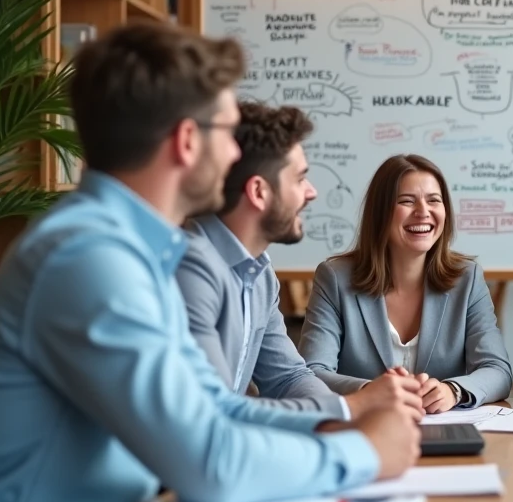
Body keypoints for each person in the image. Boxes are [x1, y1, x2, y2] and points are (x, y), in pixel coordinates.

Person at [0, 23, 418, 502]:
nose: (236, 154)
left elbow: (215, 408)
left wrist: (344, 416)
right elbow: (210, 462)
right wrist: (366, 455)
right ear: (187, 140)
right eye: (230, 133)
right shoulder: (89, 257)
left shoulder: (133, 249)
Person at [176, 101, 423, 421]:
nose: (311, 192)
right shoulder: (190, 267)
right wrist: (354, 406)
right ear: (259, 192)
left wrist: (343, 421)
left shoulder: (259, 273)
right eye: (299, 179)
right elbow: (210, 411)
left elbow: (288, 377)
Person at [300, 154, 512, 413]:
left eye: (434, 200)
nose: (423, 212)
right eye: (406, 201)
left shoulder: (467, 279)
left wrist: (453, 390)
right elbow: (312, 372)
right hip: (366, 430)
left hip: (446, 432)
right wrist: (371, 392)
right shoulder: (335, 278)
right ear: (380, 213)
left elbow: (498, 371)